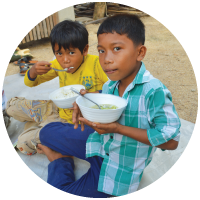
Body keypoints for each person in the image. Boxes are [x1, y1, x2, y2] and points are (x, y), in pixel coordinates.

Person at [37, 14, 181, 197]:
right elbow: (103, 100)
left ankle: (59, 159)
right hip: (99, 142)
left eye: (117, 49)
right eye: (102, 50)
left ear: (140, 52)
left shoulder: (153, 92)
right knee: (46, 132)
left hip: (118, 166)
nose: (106, 59)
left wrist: (119, 128)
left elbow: (172, 142)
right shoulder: (110, 84)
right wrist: (85, 103)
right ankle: (65, 151)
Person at [5, 20, 108, 155]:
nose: (65, 60)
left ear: (85, 50)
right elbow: (31, 83)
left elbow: (113, 90)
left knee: (23, 144)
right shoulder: (57, 65)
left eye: (71, 53)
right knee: (11, 107)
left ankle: (42, 130)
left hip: (73, 122)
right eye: (59, 53)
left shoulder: (96, 64)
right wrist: (33, 72)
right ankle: (40, 125)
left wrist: (90, 95)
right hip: (55, 108)